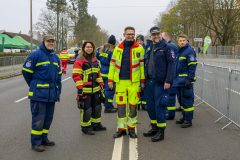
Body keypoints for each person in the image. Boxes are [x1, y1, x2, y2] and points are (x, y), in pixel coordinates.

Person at [22, 35, 62, 152]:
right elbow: (26, 72)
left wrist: (58, 91)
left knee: (48, 118)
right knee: (38, 118)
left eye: (52, 41)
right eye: (48, 41)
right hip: (39, 94)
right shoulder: (35, 55)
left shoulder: (55, 57)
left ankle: (44, 138)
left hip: (51, 95)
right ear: (43, 42)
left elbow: (58, 77)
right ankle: (35, 142)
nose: (51, 43)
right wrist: (34, 85)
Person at [108, 26, 145, 138]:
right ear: (124, 35)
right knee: (121, 106)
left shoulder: (139, 48)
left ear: (134, 35)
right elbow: (112, 65)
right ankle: (121, 128)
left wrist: (143, 81)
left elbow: (142, 66)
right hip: (120, 82)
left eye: (132, 34)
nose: (130, 36)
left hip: (134, 82)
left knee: (133, 106)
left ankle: (131, 128)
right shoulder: (118, 48)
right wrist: (110, 80)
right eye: (128, 34)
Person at [143, 27, 175, 142]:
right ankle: (154, 127)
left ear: (161, 34)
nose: (155, 36)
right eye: (153, 34)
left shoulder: (167, 47)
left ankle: (161, 131)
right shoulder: (149, 46)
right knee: (150, 106)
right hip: (149, 81)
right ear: (150, 36)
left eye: (157, 34)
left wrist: (168, 81)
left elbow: (171, 65)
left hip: (161, 83)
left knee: (160, 106)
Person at [72, 41, 106, 135]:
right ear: (83, 48)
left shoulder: (94, 60)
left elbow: (98, 73)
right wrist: (79, 88)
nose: (89, 48)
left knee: (97, 108)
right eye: (87, 47)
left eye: (91, 47)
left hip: (95, 89)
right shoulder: (79, 60)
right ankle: (86, 127)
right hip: (85, 90)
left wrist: (101, 83)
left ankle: (96, 125)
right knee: (87, 109)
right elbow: (76, 75)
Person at [173, 34, 197, 128]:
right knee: (181, 100)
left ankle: (188, 120)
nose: (182, 42)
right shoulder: (180, 51)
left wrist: (190, 79)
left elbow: (192, 66)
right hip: (179, 81)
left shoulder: (189, 51)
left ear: (187, 41)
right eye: (180, 40)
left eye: (184, 40)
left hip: (186, 81)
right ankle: (184, 116)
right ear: (178, 42)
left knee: (187, 100)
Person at [96, 35, 118, 113]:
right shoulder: (112, 50)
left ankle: (107, 105)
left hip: (102, 72)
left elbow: (98, 56)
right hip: (109, 72)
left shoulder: (103, 49)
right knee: (110, 90)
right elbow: (114, 61)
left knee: (105, 90)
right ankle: (108, 107)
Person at [162, 32, 178, 120]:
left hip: (173, 74)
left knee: (171, 94)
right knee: (168, 94)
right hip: (171, 74)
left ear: (167, 37)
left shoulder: (171, 46)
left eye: (163, 37)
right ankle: (169, 111)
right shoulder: (168, 45)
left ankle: (171, 113)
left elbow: (173, 61)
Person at [136, 34, 147, 111]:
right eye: (138, 41)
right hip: (136, 72)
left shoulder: (146, 48)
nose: (139, 42)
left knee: (144, 89)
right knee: (137, 89)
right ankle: (137, 104)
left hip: (144, 71)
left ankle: (144, 104)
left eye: (141, 41)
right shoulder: (134, 49)